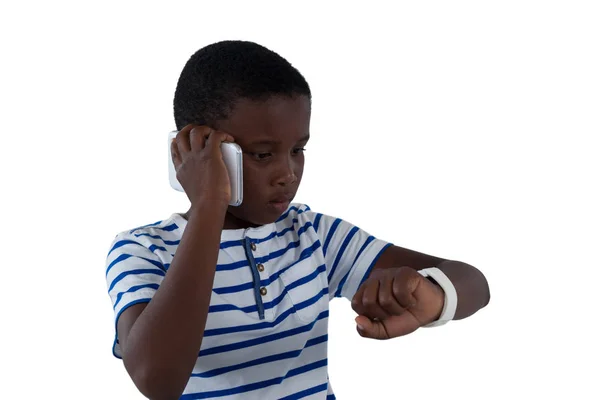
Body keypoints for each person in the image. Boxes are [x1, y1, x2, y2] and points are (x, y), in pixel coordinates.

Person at [104, 40, 490, 400]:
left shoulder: (312, 235)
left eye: (298, 149)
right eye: (261, 154)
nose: (287, 173)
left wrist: (434, 296)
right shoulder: (143, 250)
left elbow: (474, 282)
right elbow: (157, 378)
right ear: (196, 151)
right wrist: (209, 204)